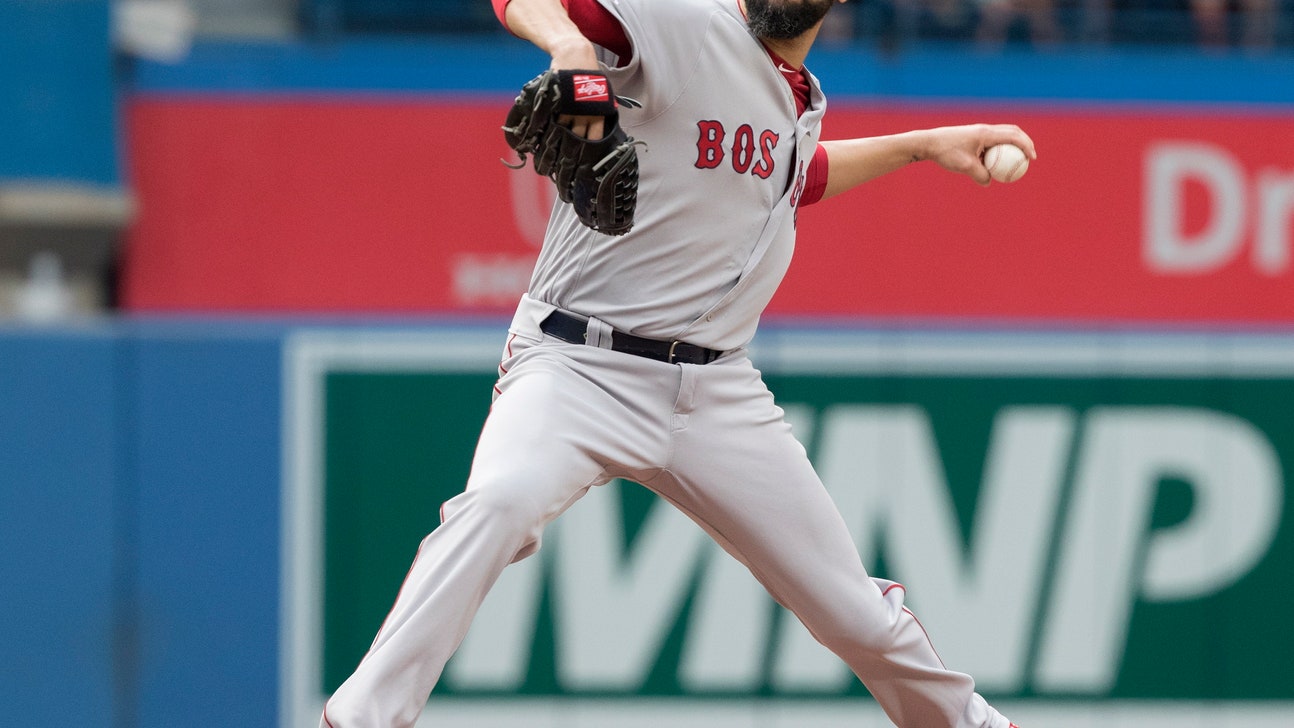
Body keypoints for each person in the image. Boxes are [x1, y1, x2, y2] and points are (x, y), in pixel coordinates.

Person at [320, 0, 1035, 726]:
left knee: (852, 610)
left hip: (717, 392)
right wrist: (569, 45)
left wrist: (922, 145)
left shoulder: (794, 93)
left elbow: (792, 176)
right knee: (498, 505)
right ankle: (361, 717)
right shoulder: (687, 24)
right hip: (579, 365)